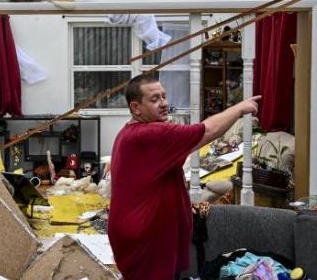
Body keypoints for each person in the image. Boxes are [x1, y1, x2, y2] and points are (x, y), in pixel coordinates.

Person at [108, 74, 260, 279]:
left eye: (163, 96)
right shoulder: (150, 135)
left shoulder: (133, 131)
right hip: (146, 239)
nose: (163, 104)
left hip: (149, 236)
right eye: (154, 99)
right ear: (136, 108)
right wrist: (240, 108)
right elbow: (207, 131)